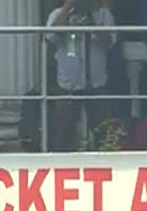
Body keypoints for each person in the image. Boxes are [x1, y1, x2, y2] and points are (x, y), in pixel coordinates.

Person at [45, 0, 116, 152]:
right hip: (68, 83)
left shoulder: (104, 15)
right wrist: (68, 8)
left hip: (96, 82)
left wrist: (93, 24)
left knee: (104, 133)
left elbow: (110, 41)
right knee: (63, 133)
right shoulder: (57, 14)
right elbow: (52, 36)